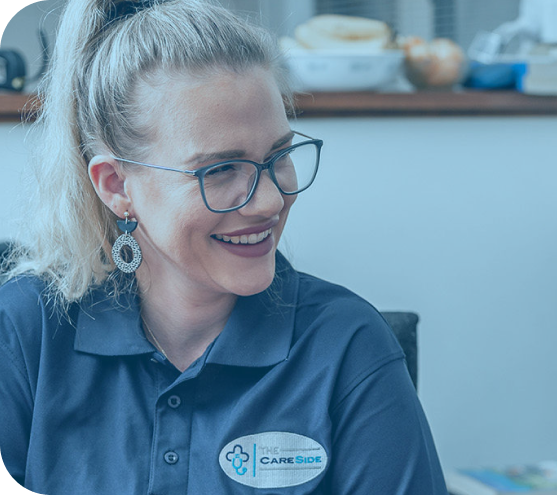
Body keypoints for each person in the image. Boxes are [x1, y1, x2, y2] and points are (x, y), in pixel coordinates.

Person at [0, 1, 447, 493]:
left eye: (278, 156)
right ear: (116, 186)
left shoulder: (348, 346)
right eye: (219, 169)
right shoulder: (24, 333)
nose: (271, 201)